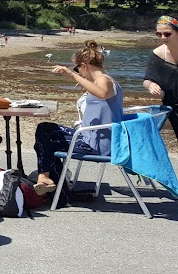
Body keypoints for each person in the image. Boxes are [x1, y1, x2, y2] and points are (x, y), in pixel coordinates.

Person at [33, 41, 123, 194]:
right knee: (46, 132)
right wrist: (78, 77)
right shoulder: (104, 79)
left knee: (45, 139)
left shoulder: (104, 80)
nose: (79, 72)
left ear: (85, 66)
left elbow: (102, 93)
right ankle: (52, 185)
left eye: (78, 68)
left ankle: (53, 186)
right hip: (93, 139)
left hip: (97, 145)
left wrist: (73, 75)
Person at [144, 15, 178, 137]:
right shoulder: (157, 55)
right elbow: (147, 79)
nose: (163, 38)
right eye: (159, 34)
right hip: (173, 106)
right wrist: (151, 85)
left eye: (167, 34)